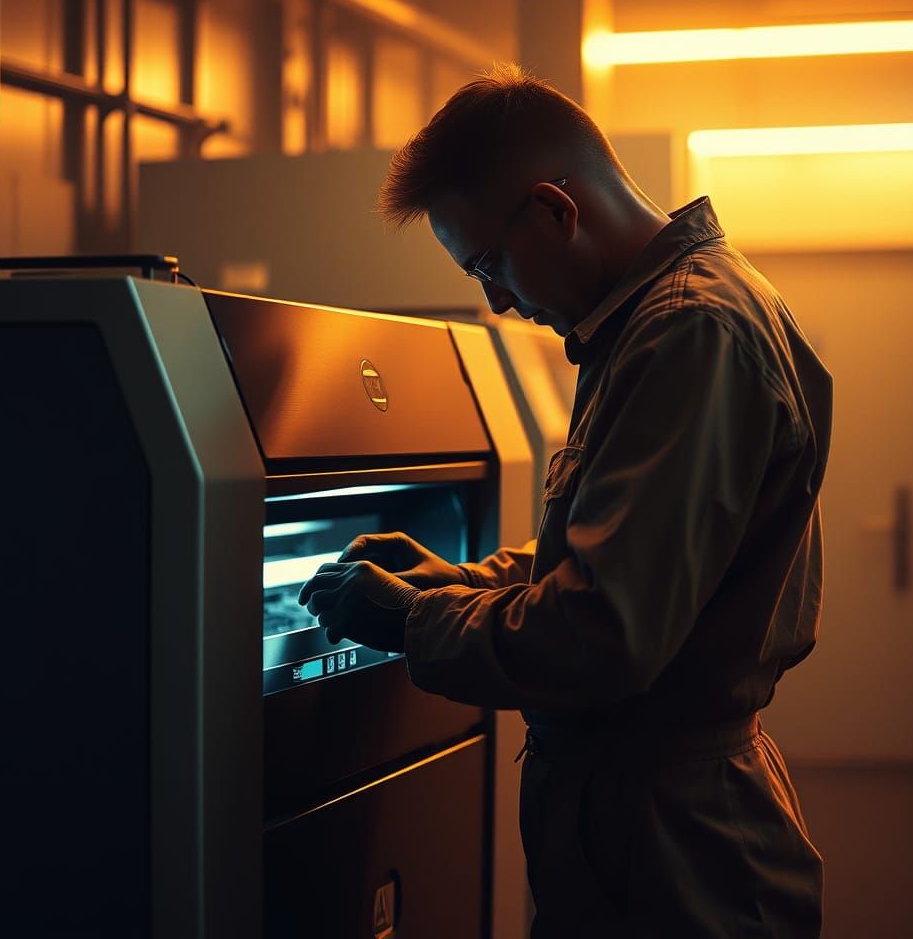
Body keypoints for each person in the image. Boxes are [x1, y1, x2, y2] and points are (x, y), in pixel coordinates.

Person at [300, 64, 832, 937]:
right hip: (644, 825)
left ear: (555, 208)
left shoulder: (689, 331)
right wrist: (462, 582)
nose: (499, 302)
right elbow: (622, 553)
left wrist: (412, 623)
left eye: (491, 266)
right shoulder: (651, 324)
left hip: (677, 848)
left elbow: (604, 634)